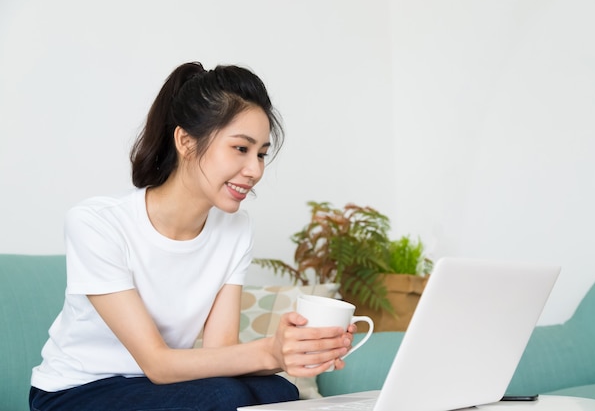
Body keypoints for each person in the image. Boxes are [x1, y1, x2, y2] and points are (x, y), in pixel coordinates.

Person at [29, 62, 355, 411]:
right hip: (76, 391)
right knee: (224, 397)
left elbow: (220, 355)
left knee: (277, 392)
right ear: (186, 141)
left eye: (261, 154)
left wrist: (295, 351)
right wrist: (269, 350)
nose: (255, 170)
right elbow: (156, 364)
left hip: (165, 390)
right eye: (241, 149)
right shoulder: (97, 223)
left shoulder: (235, 229)